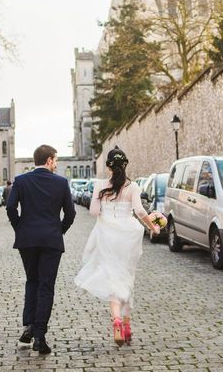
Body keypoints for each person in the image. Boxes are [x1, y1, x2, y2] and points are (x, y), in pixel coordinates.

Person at [74, 148, 160, 346]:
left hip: (107, 236)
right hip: (128, 236)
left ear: (108, 166)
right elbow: (139, 211)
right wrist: (152, 226)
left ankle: (117, 321)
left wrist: (105, 205)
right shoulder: (133, 187)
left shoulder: (100, 186)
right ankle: (127, 326)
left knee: (113, 278)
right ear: (125, 165)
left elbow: (94, 212)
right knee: (127, 278)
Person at [7, 145, 76, 355]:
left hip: (27, 240)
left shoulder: (21, 181)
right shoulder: (61, 183)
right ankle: (39, 336)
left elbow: (10, 208)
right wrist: (58, 231)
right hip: (51, 241)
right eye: (55, 160)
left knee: (32, 281)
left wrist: (20, 228)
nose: (56, 164)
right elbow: (71, 214)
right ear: (48, 160)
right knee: (46, 287)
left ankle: (29, 326)